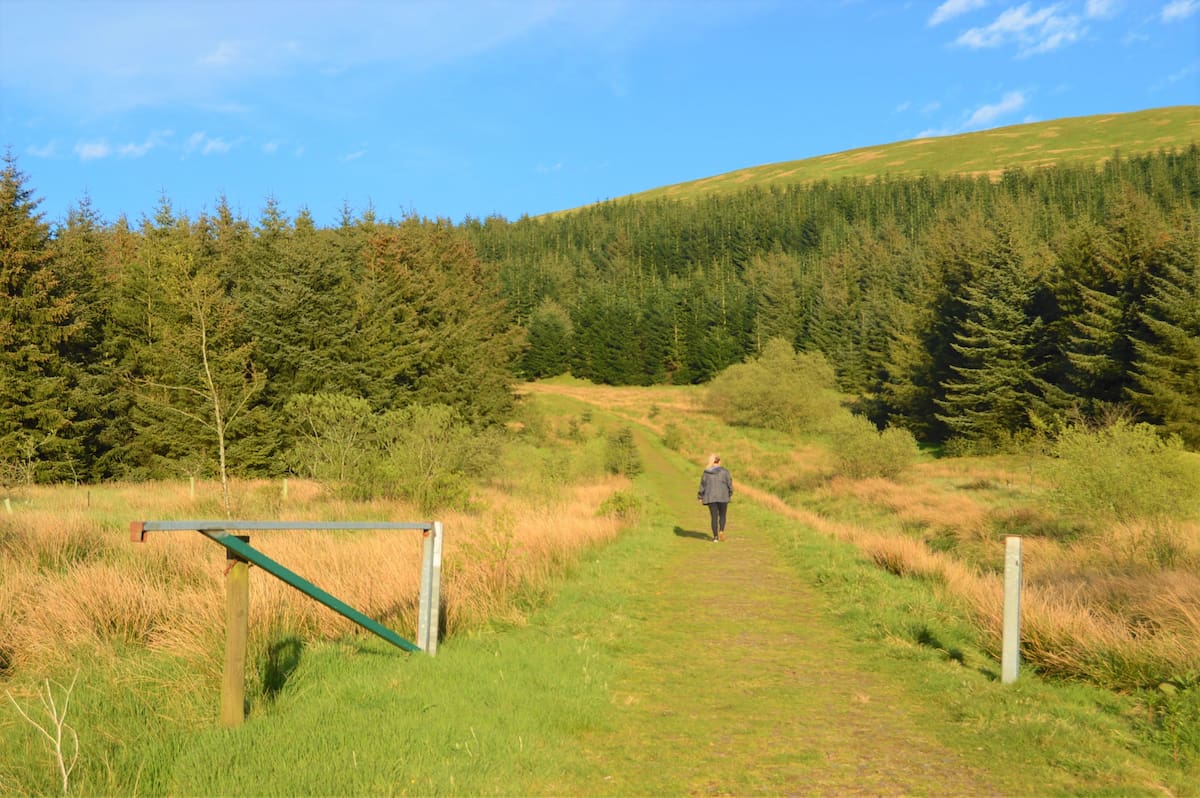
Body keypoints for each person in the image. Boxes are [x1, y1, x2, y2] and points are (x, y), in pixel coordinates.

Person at [697, 453, 733, 542]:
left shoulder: (706, 472)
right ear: (719, 461)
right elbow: (729, 483)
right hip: (723, 496)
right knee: (723, 515)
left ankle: (715, 537)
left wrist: (700, 496)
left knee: (714, 516)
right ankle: (721, 531)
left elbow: (703, 485)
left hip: (711, 497)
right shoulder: (725, 471)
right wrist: (730, 493)